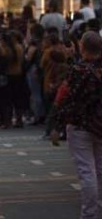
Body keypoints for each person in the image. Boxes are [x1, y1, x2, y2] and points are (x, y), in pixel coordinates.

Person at [52, 31, 102, 219]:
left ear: (82, 47)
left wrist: (57, 125)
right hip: (99, 125)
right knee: (99, 169)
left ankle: (89, 214)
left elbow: (69, 99)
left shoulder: (79, 71)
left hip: (80, 125)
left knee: (87, 171)